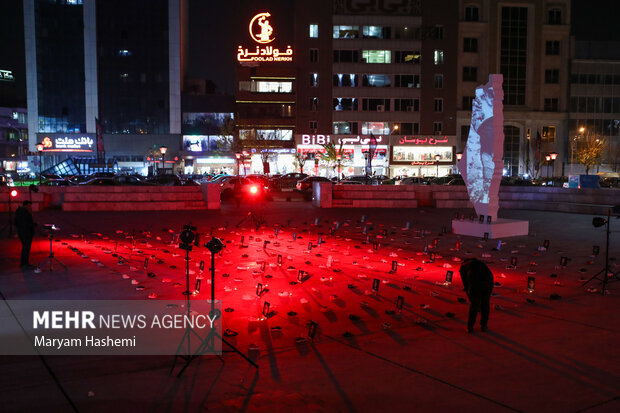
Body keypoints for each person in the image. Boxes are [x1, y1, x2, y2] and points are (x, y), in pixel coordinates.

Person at [459, 258, 494, 333]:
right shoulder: (479, 263)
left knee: (474, 305)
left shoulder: (463, 268)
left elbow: (466, 284)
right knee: (486, 303)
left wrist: (471, 298)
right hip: (489, 281)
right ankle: (484, 325)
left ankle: (470, 326)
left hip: (476, 283)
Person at [15, 201, 36, 269]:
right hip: (25, 233)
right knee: (26, 248)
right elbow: (25, 224)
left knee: (25, 248)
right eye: (29, 206)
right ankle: (25, 264)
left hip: (23, 232)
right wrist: (33, 225)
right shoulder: (24, 213)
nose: (30, 207)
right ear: (26, 205)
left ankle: (24, 263)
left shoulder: (21, 212)